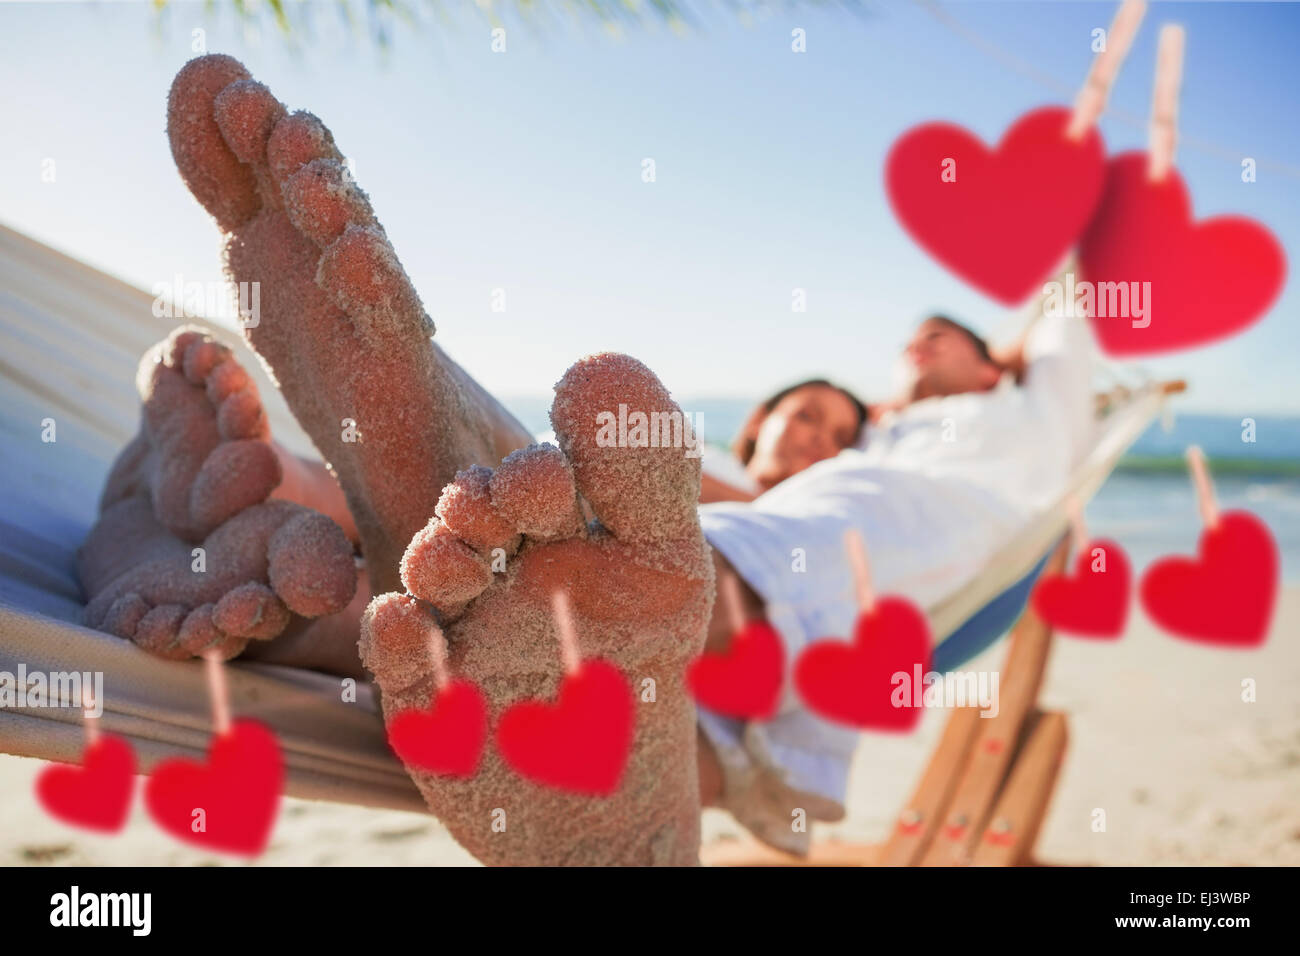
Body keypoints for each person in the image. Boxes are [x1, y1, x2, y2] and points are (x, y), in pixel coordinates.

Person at [80, 55, 1095, 865]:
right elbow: (618, 484)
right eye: (805, 419)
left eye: (942, 341)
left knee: (544, 558)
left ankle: (301, 535)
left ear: (991, 359)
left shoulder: (995, 425)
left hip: (772, 603)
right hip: (669, 589)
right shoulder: (745, 482)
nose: (826, 436)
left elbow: (1073, 312)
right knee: (518, 548)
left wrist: (1043, 282)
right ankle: (305, 532)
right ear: (755, 439)